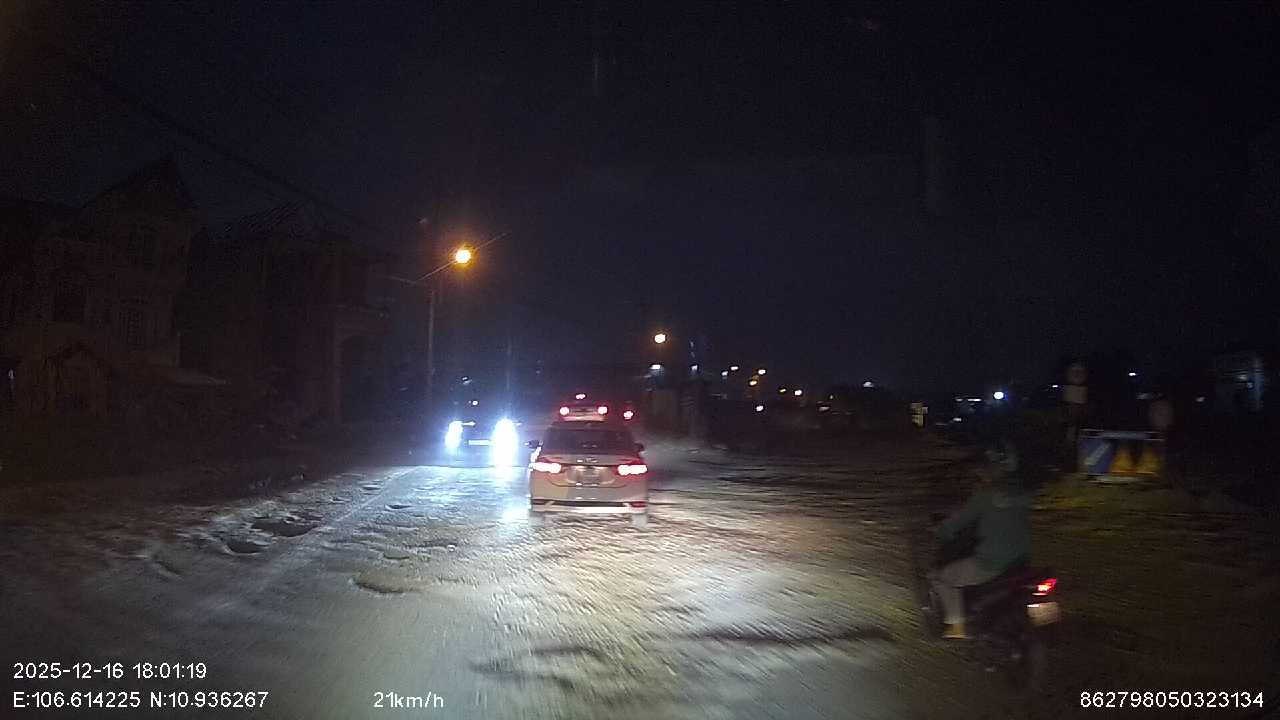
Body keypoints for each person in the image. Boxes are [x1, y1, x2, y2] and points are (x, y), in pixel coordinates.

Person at [929, 439, 1032, 639]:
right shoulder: (1023, 492)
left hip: (991, 563)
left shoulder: (985, 495)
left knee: (941, 578)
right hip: (1021, 561)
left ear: (991, 467)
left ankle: (957, 626)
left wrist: (941, 531)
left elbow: (959, 521)